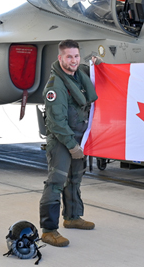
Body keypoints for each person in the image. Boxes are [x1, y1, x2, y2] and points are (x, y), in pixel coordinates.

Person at [39, 39, 99, 247]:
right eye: (69, 57)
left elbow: (85, 68)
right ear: (60, 58)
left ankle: (73, 217)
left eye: (76, 56)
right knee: (56, 183)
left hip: (77, 139)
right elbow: (56, 123)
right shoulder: (56, 86)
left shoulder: (77, 76)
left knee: (74, 180)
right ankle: (48, 230)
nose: (73, 61)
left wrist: (97, 64)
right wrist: (72, 146)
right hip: (61, 142)